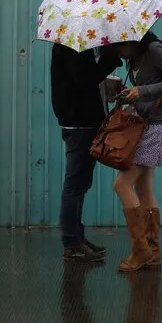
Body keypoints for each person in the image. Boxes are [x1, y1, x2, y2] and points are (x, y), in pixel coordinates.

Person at [113, 31, 162, 272]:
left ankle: (141, 250)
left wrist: (143, 92)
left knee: (122, 185)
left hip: (158, 127)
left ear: (133, 39)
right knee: (143, 187)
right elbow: (143, 90)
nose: (118, 52)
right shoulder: (133, 59)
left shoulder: (155, 50)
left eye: (120, 45)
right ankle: (153, 251)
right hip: (145, 125)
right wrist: (128, 95)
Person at [51, 43, 122, 261]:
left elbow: (87, 79)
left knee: (81, 184)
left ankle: (77, 238)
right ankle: (72, 243)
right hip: (79, 123)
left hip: (87, 121)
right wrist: (110, 60)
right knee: (75, 184)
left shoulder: (83, 47)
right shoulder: (69, 46)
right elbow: (83, 79)